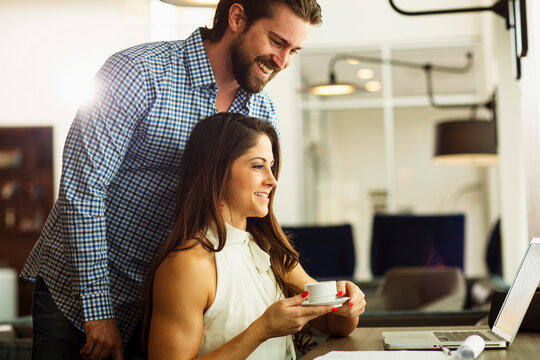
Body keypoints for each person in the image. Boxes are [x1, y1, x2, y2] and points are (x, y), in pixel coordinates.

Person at [20, 1, 322, 359]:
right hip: (82, 292)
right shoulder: (138, 72)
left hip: (169, 296)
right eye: (276, 41)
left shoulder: (262, 110)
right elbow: (83, 191)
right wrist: (98, 310)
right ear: (237, 18)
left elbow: (251, 209)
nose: (283, 61)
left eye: (293, 50)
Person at [143, 112, 365, 359]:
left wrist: (346, 306)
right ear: (216, 172)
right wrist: (262, 329)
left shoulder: (269, 250)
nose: (272, 180)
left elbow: (334, 325)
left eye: (271, 167)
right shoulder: (187, 267)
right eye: (258, 166)